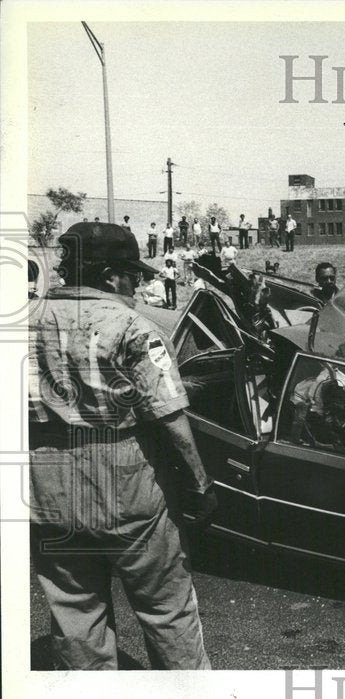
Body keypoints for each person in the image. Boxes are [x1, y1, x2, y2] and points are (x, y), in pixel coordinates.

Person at [28, 222, 216, 670]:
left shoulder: (21, 323)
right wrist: (200, 485)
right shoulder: (134, 327)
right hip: (124, 478)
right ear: (111, 276)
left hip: (45, 480)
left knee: (75, 611)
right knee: (166, 610)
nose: (137, 283)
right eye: (133, 274)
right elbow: (170, 417)